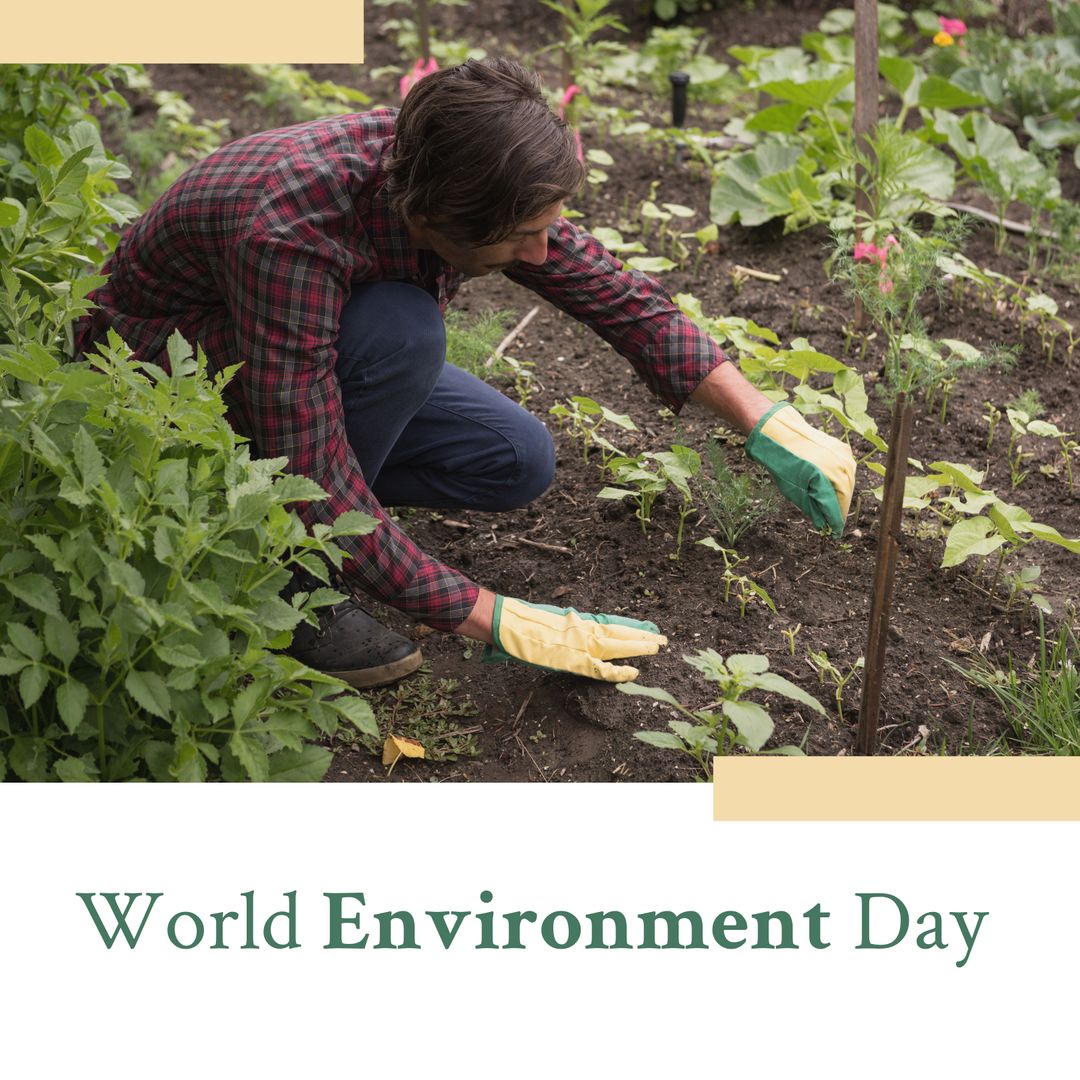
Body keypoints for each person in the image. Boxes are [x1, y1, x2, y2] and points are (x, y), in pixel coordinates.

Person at [76, 58, 855, 689]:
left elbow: (613, 293)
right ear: (438, 219)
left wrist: (766, 421)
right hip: (162, 381)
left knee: (513, 458)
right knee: (402, 334)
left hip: (295, 352)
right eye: (524, 237)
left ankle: (337, 522)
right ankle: (284, 577)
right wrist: (492, 616)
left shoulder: (456, 158)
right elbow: (306, 459)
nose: (544, 254)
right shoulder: (293, 233)